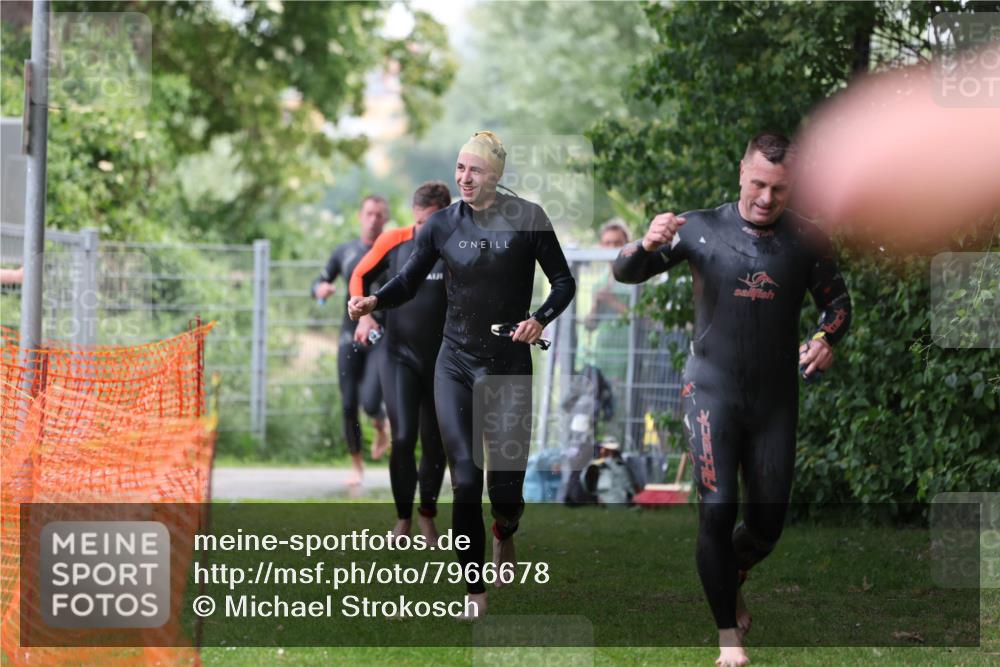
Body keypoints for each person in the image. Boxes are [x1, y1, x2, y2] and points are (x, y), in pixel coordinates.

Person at [613, 133, 852, 667]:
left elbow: (838, 305)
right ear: (742, 171)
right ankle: (728, 638)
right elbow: (624, 271)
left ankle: (732, 572)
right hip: (710, 392)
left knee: (766, 528)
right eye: (759, 184)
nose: (767, 198)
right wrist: (646, 244)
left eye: (780, 189)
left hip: (774, 401)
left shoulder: (807, 239)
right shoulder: (699, 228)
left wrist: (825, 339)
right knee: (717, 511)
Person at [349, 131, 576, 618]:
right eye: (459, 169)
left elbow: (564, 281)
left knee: (507, 492)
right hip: (454, 363)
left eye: (473, 170)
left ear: (495, 175)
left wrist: (540, 317)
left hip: (508, 366)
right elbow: (408, 281)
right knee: (467, 482)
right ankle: (475, 591)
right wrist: (374, 300)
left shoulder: (529, 220)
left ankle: (505, 532)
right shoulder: (441, 225)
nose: (463, 178)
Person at [349, 181, 452, 544]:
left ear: (448, 213)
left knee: (436, 443)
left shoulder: (458, 245)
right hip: (398, 356)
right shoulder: (395, 241)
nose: (426, 231)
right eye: (420, 222)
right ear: (414, 216)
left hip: (444, 359)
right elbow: (360, 274)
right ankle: (403, 519)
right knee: (404, 437)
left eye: (433, 222)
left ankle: (428, 516)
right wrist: (364, 316)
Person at [312, 195, 391, 486]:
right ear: (360, 216)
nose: (373, 220)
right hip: (349, 335)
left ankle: (380, 422)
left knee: (370, 402)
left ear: (386, 219)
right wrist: (320, 291)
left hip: (380, 336)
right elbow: (319, 282)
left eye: (379, 215)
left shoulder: (394, 251)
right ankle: (356, 465)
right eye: (369, 214)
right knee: (348, 403)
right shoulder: (344, 251)